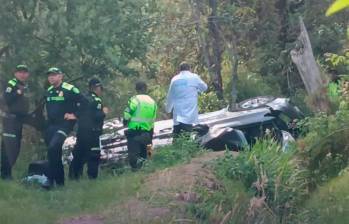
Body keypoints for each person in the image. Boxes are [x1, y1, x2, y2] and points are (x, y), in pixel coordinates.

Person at [43, 67, 84, 188]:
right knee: (53, 153)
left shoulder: (70, 89)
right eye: (49, 75)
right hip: (51, 125)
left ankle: (51, 179)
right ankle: (58, 182)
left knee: (53, 147)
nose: (51, 77)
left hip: (64, 124)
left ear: (61, 76)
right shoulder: (49, 91)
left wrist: (75, 115)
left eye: (54, 75)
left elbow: (85, 102)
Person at [69, 78, 108, 180]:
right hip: (92, 132)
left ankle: (74, 177)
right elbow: (96, 116)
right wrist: (104, 112)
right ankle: (92, 178)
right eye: (100, 88)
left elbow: (78, 113)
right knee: (93, 155)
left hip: (82, 131)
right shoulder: (96, 100)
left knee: (79, 153)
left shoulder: (82, 98)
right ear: (96, 88)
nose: (101, 91)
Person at [1, 65, 30, 179]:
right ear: (15, 73)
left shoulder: (25, 86)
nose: (22, 74)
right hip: (10, 119)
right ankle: (5, 173)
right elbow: (5, 99)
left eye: (25, 72)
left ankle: (8, 172)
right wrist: (17, 93)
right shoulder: (11, 84)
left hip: (19, 120)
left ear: (27, 74)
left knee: (16, 147)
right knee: (8, 146)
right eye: (20, 72)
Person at [165, 62, 207, 136]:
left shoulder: (174, 79)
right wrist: (197, 90)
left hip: (177, 112)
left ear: (179, 70)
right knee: (187, 134)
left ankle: (176, 146)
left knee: (177, 133)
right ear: (189, 68)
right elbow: (204, 87)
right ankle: (185, 146)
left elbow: (170, 95)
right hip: (189, 111)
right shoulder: (194, 77)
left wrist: (168, 109)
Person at [123, 81, 157, 170]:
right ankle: (148, 166)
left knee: (133, 156)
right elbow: (153, 119)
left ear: (136, 90)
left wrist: (125, 122)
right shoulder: (152, 102)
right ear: (146, 89)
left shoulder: (134, 100)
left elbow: (127, 113)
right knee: (147, 153)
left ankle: (135, 171)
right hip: (147, 133)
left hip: (134, 133)